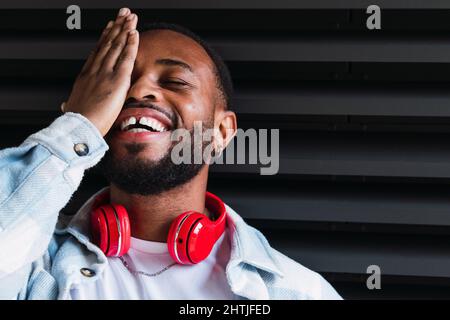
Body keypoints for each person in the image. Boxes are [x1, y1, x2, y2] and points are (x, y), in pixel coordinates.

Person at [0, 8, 342, 300]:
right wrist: (80, 124)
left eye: (175, 81)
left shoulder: (298, 291)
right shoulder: (33, 264)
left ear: (222, 132)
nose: (139, 90)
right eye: (121, 82)